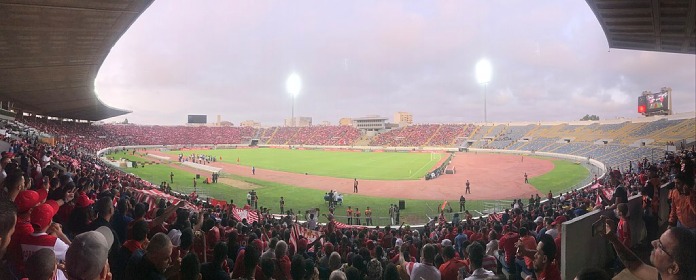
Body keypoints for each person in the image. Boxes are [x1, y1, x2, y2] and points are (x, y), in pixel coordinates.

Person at [599, 216, 696, 280]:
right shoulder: (668, 276)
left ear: (674, 268)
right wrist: (613, 238)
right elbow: (636, 266)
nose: (652, 242)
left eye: (660, 246)